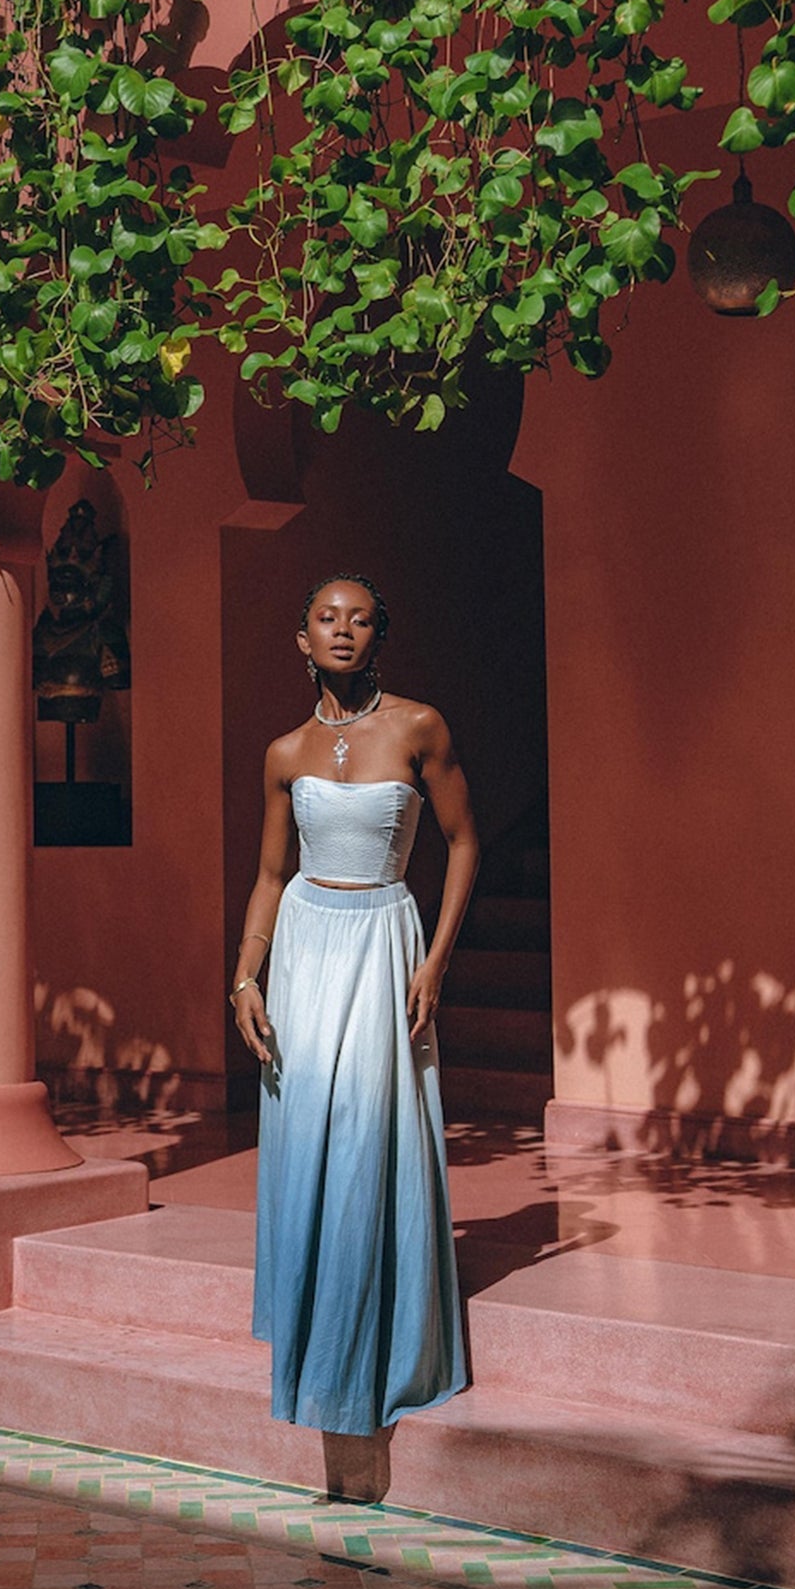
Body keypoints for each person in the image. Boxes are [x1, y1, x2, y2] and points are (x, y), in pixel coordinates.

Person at [231, 574, 480, 1436]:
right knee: (304, 1132)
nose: (343, 631)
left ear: (380, 636)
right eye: (326, 619)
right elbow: (269, 875)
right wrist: (244, 978)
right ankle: (307, 1328)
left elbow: (462, 843)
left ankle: (368, 1346)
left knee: (370, 1130)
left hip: (381, 938)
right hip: (303, 942)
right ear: (301, 641)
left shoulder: (419, 727)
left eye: (360, 618)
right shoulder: (284, 752)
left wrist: (436, 962)